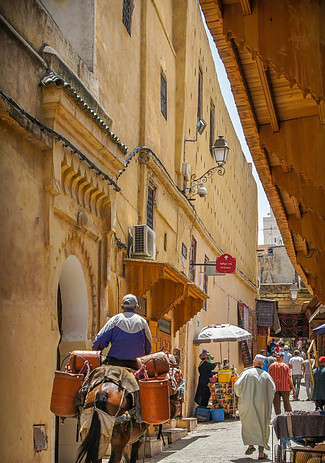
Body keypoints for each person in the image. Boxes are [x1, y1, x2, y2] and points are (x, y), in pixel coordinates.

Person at [92, 293, 152, 370]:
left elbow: (100, 340)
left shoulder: (115, 320)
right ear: (136, 307)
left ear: (122, 307)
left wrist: (95, 353)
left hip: (114, 363)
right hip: (136, 365)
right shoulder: (142, 322)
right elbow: (149, 345)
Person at [234, 354, 275, 461]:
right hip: (262, 404)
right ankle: (261, 453)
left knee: (249, 424)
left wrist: (241, 395)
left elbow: (237, 386)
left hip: (247, 403)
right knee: (262, 425)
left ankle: (251, 445)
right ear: (263, 364)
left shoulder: (246, 373)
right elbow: (273, 389)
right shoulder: (266, 375)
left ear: (253, 362)